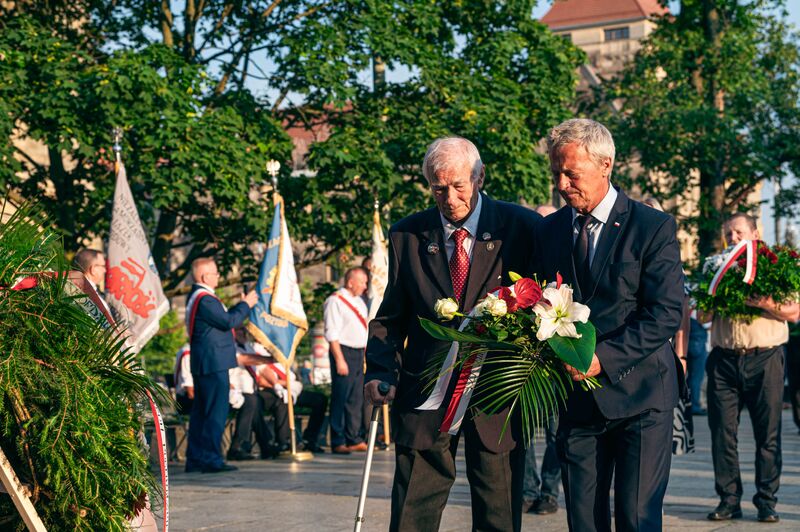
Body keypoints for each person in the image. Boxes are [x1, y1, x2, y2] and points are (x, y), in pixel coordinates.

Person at [364, 136, 540, 532]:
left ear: (479, 177)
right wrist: (378, 371)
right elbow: (391, 316)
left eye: (458, 185)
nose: (449, 196)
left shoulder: (521, 227)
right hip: (427, 392)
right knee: (413, 511)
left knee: (498, 511)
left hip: (496, 393)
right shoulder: (407, 235)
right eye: (438, 187)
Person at [533, 118, 685, 531]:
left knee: (636, 519)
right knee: (584, 522)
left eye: (572, 173)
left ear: (605, 165)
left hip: (642, 397)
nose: (562, 184)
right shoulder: (547, 232)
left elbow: (666, 311)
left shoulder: (652, 227)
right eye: (557, 173)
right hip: (578, 403)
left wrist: (602, 358)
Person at [699, 213, 800, 523]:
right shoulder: (714, 266)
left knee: (767, 434)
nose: (732, 238)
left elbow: (794, 312)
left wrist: (765, 303)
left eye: (738, 232)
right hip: (724, 359)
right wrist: (715, 298)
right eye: (728, 233)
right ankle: (729, 499)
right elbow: (701, 316)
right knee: (722, 434)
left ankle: (767, 500)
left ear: (755, 234)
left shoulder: (774, 264)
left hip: (765, 358)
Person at [184, 258, 258, 473]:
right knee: (214, 413)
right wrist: (246, 304)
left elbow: (222, 318)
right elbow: (228, 322)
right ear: (205, 276)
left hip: (206, 362)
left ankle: (197, 458)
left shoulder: (199, 297)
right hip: (213, 363)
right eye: (215, 273)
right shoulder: (205, 299)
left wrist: (238, 306)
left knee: (202, 413)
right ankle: (210, 459)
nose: (218, 276)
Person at [324, 267, 370, 454]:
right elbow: (331, 332)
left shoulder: (359, 302)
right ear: (351, 281)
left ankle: (353, 437)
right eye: (362, 282)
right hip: (343, 351)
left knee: (355, 398)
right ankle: (337, 440)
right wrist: (339, 359)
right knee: (340, 397)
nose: (365, 286)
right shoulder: (335, 301)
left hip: (359, 352)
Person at [522, 416, 561, 515]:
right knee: (524, 436)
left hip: (556, 401)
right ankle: (529, 494)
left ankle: (549, 494)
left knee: (556, 436)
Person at [173, 343, 193, 415]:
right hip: (186, 398)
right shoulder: (188, 352)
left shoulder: (187, 350)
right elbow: (188, 386)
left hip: (188, 396)